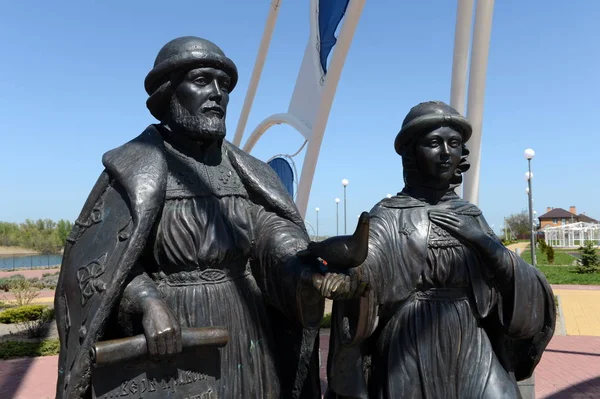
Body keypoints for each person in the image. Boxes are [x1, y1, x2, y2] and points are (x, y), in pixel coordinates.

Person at [54, 36, 337, 399]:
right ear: (168, 93)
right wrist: (147, 302)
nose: (218, 93)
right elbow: (100, 268)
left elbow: (270, 232)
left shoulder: (248, 172)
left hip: (246, 333)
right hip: (175, 339)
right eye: (203, 81)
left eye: (225, 85)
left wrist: (303, 265)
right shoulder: (131, 171)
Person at [312, 101, 556, 398]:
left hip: (471, 338)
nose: (445, 153)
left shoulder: (470, 214)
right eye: (433, 143)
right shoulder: (390, 214)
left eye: (454, 144)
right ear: (412, 153)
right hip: (411, 338)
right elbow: (369, 263)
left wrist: (485, 244)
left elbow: (508, 279)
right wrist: (351, 280)